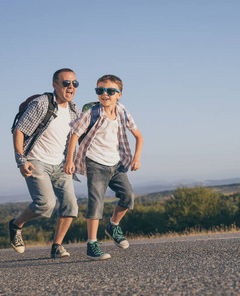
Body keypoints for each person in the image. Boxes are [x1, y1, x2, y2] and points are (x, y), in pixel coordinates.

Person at [64, 74, 143, 260]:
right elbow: (74, 135)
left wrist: (136, 158)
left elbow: (139, 136)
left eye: (110, 91)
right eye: (100, 90)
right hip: (95, 163)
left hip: (117, 163)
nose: (104, 94)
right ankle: (92, 245)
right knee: (96, 203)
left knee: (128, 196)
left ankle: (113, 226)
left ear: (119, 94)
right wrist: (69, 161)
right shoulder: (90, 113)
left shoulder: (123, 113)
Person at [9, 68, 80, 258]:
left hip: (60, 164)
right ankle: (16, 225)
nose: (70, 87)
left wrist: (71, 160)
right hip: (36, 160)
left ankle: (57, 246)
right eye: (66, 83)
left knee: (71, 206)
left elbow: (75, 136)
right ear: (55, 85)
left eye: (74, 83)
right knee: (46, 204)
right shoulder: (42, 104)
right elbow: (19, 130)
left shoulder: (74, 110)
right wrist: (21, 160)